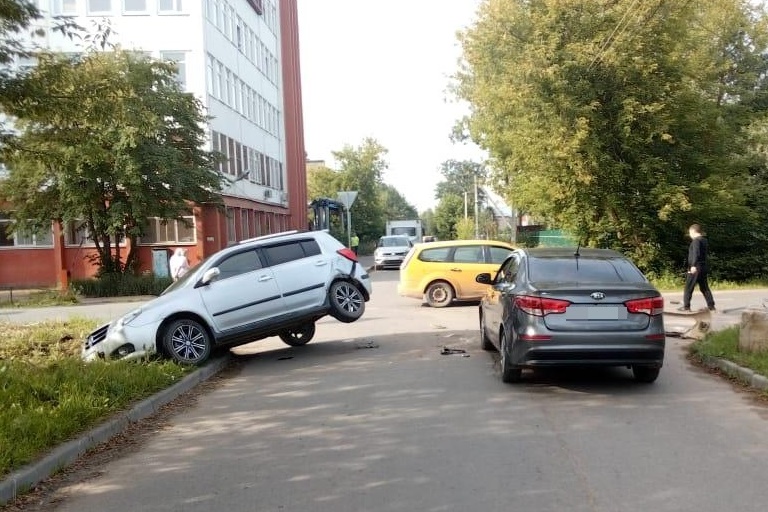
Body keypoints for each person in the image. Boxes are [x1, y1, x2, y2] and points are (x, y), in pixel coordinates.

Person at [679, 224, 715, 312]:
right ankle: (711, 306)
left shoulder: (696, 241)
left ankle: (686, 306)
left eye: (690, 233)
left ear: (693, 231)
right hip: (703, 266)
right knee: (704, 287)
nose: (690, 235)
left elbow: (696, 253)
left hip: (696, 267)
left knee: (688, 287)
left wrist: (693, 265)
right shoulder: (704, 240)